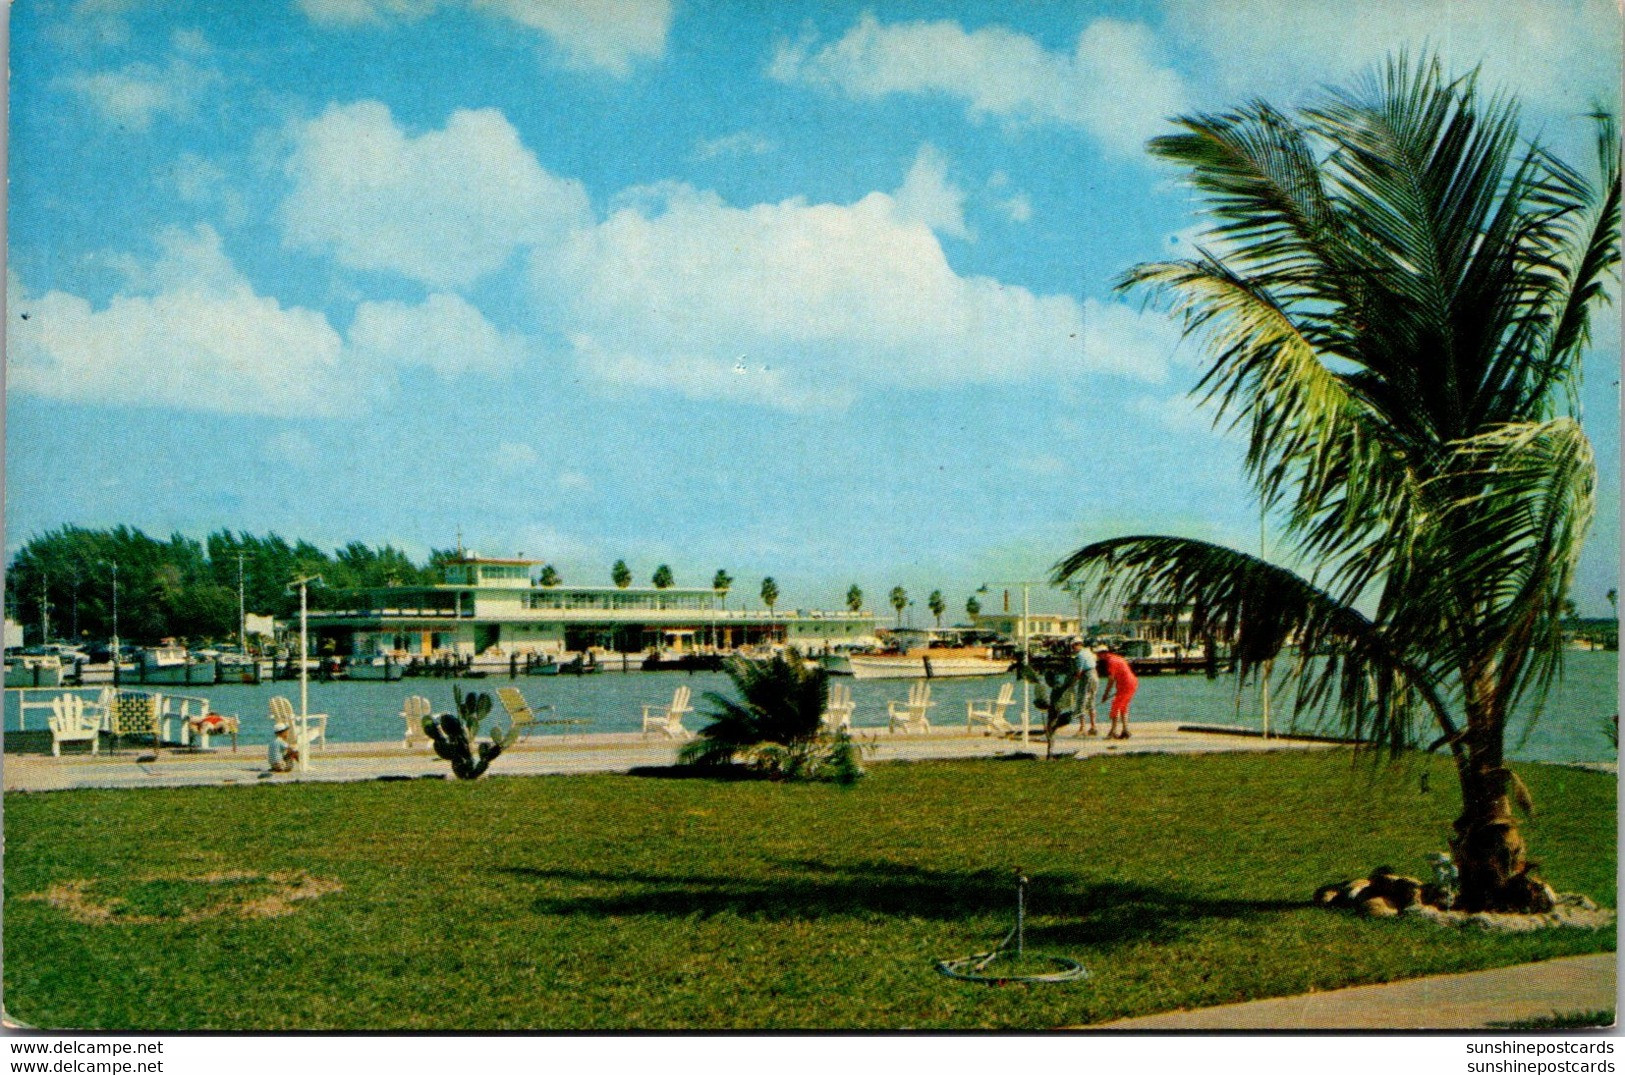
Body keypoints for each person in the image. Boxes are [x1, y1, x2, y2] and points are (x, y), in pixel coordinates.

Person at [1097, 646, 1139, 740]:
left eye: (1098, 654)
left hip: (1126, 684)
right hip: (1132, 683)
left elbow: (1111, 679)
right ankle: (1125, 730)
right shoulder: (1117, 658)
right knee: (1123, 706)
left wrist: (1105, 694)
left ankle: (1113, 732)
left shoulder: (1111, 661)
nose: (1098, 656)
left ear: (1103, 653)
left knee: (1115, 707)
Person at [1071, 639, 1099, 736]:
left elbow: (1079, 672)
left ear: (1078, 645)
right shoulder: (1089, 652)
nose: (1073, 648)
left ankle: (1082, 727)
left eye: (1073, 646)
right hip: (1095, 676)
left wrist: (1072, 684)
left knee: (1081, 701)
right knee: (1091, 701)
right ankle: (1093, 727)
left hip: (1087, 677)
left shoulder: (1080, 656)